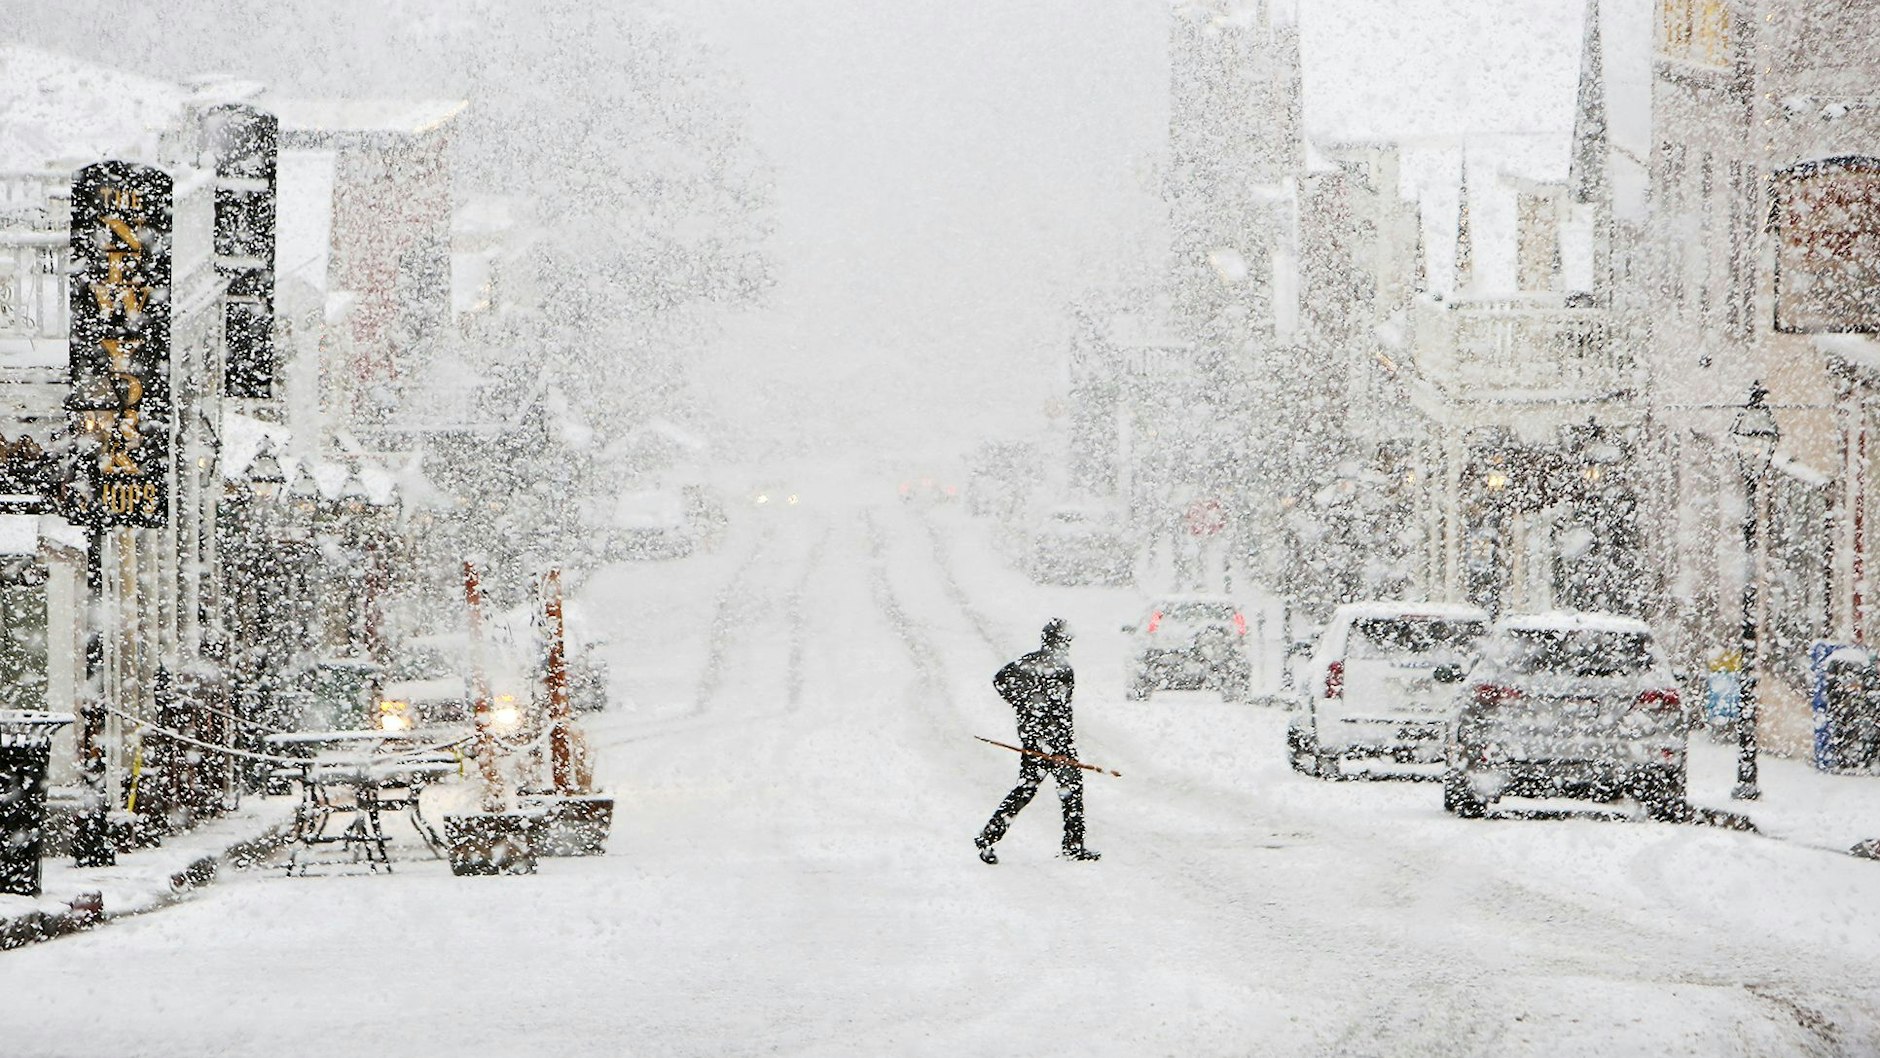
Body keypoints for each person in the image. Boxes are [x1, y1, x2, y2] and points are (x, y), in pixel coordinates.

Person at [974, 619, 1100, 864]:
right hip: (1050, 740)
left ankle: (989, 836)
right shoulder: (1056, 668)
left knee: (1029, 789)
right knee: (1066, 791)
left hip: (1039, 738)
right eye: (1066, 641)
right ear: (1058, 641)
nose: (1068, 646)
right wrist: (1024, 704)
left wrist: (1022, 705)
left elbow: (1001, 680)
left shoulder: (1032, 663)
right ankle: (1073, 846)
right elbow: (1060, 711)